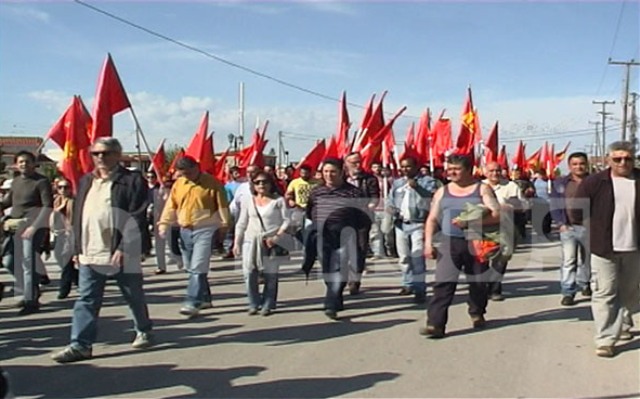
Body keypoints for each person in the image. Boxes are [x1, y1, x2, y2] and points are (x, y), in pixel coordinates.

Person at [51, 137, 153, 363]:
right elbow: (79, 215)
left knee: (133, 295)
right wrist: (77, 248)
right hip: (90, 252)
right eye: (96, 153)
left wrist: (125, 246)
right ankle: (80, 345)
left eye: (105, 153)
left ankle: (143, 329)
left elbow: (137, 215)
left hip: (121, 253)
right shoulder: (86, 180)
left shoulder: (132, 181)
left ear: (117, 155)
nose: (100, 157)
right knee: (87, 299)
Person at [572, 141, 640, 358]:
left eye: (627, 158)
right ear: (608, 159)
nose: (623, 162)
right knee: (605, 292)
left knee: (630, 292)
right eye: (618, 158)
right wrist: (594, 231)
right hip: (604, 248)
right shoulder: (595, 182)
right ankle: (605, 340)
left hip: (634, 248)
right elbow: (576, 212)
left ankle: (623, 324)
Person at [420, 155, 500, 338]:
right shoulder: (443, 191)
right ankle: (435, 324)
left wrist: (471, 221)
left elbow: (497, 215)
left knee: (478, 282)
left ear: (469, 169)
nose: (452, 173)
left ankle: (477, 312)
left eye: (456, 169)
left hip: (476, 241)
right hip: (449, 242)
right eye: (449, 169)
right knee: (443, 283)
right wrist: (428, 243)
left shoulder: (482, 189)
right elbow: (432, 219)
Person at [158, 156, 230, 318]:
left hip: (206, 228)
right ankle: (205, 298)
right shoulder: (179, 184)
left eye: (190, 173)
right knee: (192, 267)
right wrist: (164, 224)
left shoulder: (212, 183)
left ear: (197, 167)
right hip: (185, 230)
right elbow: (171, 206)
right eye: (184, 174)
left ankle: (192, 301)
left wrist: (224, 227)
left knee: (198, 266)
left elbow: (222, 206)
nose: (188, 176)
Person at [306, 158, 370, 319]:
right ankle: (336, 295)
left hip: (344, 234)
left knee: (338, 267)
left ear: (342, 172)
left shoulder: (354, 192)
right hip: (322, 235)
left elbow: (362, 217)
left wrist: (361, 240)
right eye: (326, 171)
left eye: (333, 171)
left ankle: (330, 303)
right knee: (327, 268)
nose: (329, 175)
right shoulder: (316, 191)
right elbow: (309, 211)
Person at [0, 151, 53, 315]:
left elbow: (47, 206)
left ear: (33, 163)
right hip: (14, 226)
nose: (24, 164)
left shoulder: (41, 182)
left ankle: (30, 301)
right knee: (9, 261)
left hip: (32, 227)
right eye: (21, 162)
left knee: (28, 263)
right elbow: (9, 202)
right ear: (16, 164)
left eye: (27, 162)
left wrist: (34, 227)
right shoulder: (15, 182)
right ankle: (32, 289)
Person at [233, 171, 290, 315]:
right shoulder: (249, 200)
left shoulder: (278, 201)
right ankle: (253, 302)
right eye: (257, 182)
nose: (261, 185)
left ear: (271, 184)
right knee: (249, 273)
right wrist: (236, 243)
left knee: (271, 275)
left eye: (264, 181)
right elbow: (241, 222)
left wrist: (277, 236)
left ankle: (268, 303)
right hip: (250, 241)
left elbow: (287, 221)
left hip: (271, 241)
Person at [387, 156, 440, 303]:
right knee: (404, 256)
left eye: (408, 166)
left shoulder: (427, 181)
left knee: (417, 257)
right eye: (402, 167)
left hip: (419, 223)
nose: (405, 170)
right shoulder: (398, 183)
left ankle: (419, 288)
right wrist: (390, 208)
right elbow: (390, 199)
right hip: (401, 224)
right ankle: (407, 283)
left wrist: (417, 187)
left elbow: (432, 198)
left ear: (416, 167)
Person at [550, 152, 592, 306]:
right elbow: (554, 204)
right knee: (569, 261)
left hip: (590, 228)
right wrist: (560, 223)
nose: (578, 167)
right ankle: (568, 292)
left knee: (588, 260)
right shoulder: (561, 183)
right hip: (568, 228)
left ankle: (586, 284)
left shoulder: (595, 181)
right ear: (569, 166)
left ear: (586, 164)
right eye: (575, 164)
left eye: (581, 163)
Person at [482, 161, 526, 301]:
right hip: (482, 229)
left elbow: (523, 205)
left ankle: (495, 289)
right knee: (481, 261)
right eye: (491, 171)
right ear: (485, 172)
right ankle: (482, 288)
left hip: (504, 228)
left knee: (500, 260)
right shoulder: (479, 186)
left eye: (497, 170)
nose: (495, 173)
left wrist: (510, 206)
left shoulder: (511, 186)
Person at [343, 152, 379, 295]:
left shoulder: (369, 179)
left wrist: (370, 205)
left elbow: (375, 196)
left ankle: (355, 280)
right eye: (353, 162)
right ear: (346, 164)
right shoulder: (341, 179)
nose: (357, 165)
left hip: (362, 219)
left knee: (360, 249)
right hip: (344, 219)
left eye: (359, 162)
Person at [51, 178, 78, 299]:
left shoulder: (74, 202)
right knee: (60, 259)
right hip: (59, 233)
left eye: (66, 187)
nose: (63, 190)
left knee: (66, 262)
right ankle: (78, 278)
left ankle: (64, 289)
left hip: (71, 233)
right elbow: (52, 218)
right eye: (60, 187)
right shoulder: (56, 201)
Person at [285, 164, 314, 243]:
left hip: (312, 210)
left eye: (306, 173)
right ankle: (298, 244)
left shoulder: (316, 182)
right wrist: (290, 200)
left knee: (309, 229)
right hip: (298, 208)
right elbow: (288, 194)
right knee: (297, 229)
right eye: (302, 173)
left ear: (310, 173)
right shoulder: (295, 182)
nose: (304, 175)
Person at [532, 169, 552, 238]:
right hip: (543, 202)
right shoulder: (536, 182)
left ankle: (540, 231)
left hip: (540, 202)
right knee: (545, 218)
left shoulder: (534, 182)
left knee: (541, 218)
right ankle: (544, 231)